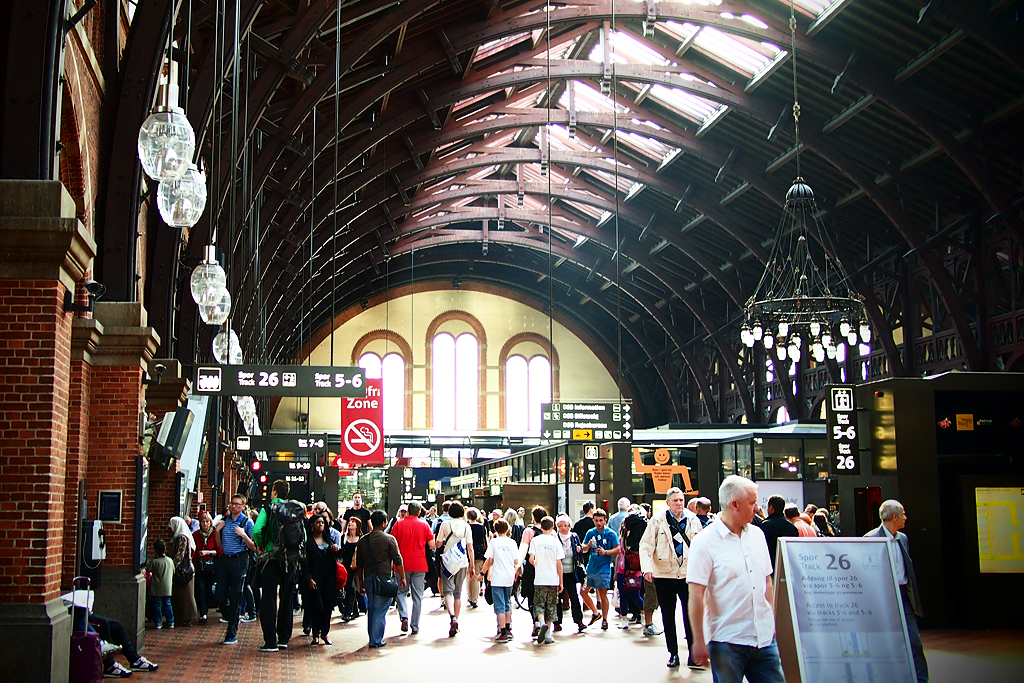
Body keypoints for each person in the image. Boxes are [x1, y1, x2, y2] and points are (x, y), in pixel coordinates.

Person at [687, 475, 784, 682]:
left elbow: (767, 582)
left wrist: (772, 621)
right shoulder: (704, 542)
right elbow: (696, 594)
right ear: (735, 504)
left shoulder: (758, 535)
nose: (757, 508)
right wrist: (699, 640)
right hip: (727, 640)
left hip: (764, 639)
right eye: (752, 502)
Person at [640, 486, 704, 667]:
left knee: (691, 615)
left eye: (681, 500)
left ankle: (693, 654)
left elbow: (700, 546)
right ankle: (673, 653)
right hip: (664, 574)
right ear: (667, 502)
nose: (679, 503)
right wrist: (647, 569)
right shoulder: (657, 520)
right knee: (668, 615)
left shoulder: (693, 520)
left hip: (687, 574)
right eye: (675, 500)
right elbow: (645, 545)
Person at [865, 500, 928, 683]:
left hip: (903, 595)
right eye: (903, 515)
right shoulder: (871, 539)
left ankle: (921, 679)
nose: (905, 518)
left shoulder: (903, 538)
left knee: (913, 640)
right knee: (884, 641)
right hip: (883, 596)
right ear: (895, 517)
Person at [253, 479, 302, 653]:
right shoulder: (293, 509)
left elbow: (257, 529)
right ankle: (284, 638)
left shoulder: (268, 509)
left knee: (269, 599)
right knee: (287, 599)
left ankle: (270, 641)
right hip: (290, 559)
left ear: (274, 491)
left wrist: (260, 545)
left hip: (271, 559)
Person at [356, 510, 407, 649]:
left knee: (372, 608)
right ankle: (376, 639)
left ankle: (372, 636)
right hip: (384, 579)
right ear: (384, 523)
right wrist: (402, 577)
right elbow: (398, 560)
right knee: (380, 609)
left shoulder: (363, 540)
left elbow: (359, 563)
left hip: (368, 578)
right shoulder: (389, 539)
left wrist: (361, 580)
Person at [215, 494, 256, 645]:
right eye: (232, 504)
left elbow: (253, 546)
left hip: (239, 560)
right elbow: (219, 545)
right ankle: (232, 616)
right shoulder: (224, 521)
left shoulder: (247, 522)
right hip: (225, 560)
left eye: (238, 504)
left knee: (236, 595)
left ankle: (231, 632)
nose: (234, 507)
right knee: (219, 594)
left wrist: (244, 535)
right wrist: (217, 531)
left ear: (243, 506)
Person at [391, 500, 435, 634]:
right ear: (420, 512)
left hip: (402, 564)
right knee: (418, 596)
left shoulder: (398, 524)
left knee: (401, 592)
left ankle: (404, 615)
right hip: (420, 564)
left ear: (408, 511)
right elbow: (432, 545)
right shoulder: (424, 524)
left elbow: (392, 543)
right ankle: (415, 626)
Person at [435, 500, 474, 637]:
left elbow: (438, 543)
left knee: (448, 591)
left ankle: (452, 617)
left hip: (447, 562)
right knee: (458, 592)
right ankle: (457, 619)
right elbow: (470, 547)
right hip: (462, 562)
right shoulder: (466, 526)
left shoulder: (445, 525)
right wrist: (472, 565)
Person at [302, 513, 339, 646]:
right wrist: (309, 579)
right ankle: (315, 633)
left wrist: (336, 550)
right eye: (318, 522)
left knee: (328, 606)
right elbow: (305, 563)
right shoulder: (308, 542)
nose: (320, 525)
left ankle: (325, 632)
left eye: (322, 522)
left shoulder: (328, 540)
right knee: (315, 606)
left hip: (329, 578)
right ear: (312, 524)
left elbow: (336, 558)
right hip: (315, 578)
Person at [580, 508, 619, 630]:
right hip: (591, 567)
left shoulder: (611, 534)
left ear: (605, 520)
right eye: (596, 520)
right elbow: (584, 548)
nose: (598, 523)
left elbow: (618, 549)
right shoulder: (590, 533)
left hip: (604, 568)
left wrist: (606, 552)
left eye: (601, 520)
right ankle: (595, 612)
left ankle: (605, 619)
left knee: (603, 594)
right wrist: (588, 545)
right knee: (583, 592)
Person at [529, 516, 564, 645]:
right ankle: (548, 634)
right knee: (551, 606)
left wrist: (537, 563)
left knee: (539, 603)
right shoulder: (556, 542)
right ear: (553, 527)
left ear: (541, 527)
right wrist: (561, 581)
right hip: (552, 579)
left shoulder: (535, 540)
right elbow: (559, 563)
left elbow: (531, 559)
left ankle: (541, 623)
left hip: (539, 578)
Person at [482, 518, 519, 642]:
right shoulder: (512, 543)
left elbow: (490, 560)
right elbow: (516, 561)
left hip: (497, 577)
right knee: (507, 602)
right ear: (507, 529)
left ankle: (502, 631)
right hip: (509, 576)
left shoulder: (494, 542)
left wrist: (482, 573)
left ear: (495, 530)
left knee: (499, 605)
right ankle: (508, 630)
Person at [553, 514, 585, 633]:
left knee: (574, 597)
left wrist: (579, 549)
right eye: (561, 526)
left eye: (566, 526)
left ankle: (579, 621)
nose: (564, 528)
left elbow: (580, 551)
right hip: (558, 573)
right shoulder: (555, 538)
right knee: (558, 599)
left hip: (571, 572)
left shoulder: (574, 537)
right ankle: (557, 623)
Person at [616, 504, 647, 628]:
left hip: (625, 567)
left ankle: (627, 619)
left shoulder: (626, 534)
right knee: (632, 594)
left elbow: (620, 552)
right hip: (632, 567)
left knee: (628, 594)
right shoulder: (635, 534)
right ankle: (642, 617)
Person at [167, 516, 198, 627]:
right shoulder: (182, 536)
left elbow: (179, 556)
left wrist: (172, 568)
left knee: (185, 596)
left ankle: (186, 617)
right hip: (185, 570)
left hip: (183, 571)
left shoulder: (182, 538)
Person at [192, 512, 220, 624]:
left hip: (210, 567)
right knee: (201, 590)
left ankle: (206, 610)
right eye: (203, 522)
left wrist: (208, 552)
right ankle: (203, 614)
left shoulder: (214, 535)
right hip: (199, 567)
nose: (205, 524)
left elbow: (219, 551)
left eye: (207, 521)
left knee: (208, 591)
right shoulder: (195, 535)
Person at [760, 495, 799, 570]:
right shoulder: (792, 527)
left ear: (771, 507)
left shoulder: (766, 525)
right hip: (787, 567)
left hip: (770, 567)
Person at [339, 516, 363, 621]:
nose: (350, 523)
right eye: (349, 522)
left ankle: (348, 612)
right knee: (348, 587)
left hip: (356, 567)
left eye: (353, 522)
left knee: (351, 587)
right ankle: (355, 610)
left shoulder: (361, 539)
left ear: (357, 525)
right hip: (345, 566)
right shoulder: (344, 537)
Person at [148, 540, 174, 629]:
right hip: (167, 587)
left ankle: (158, 622)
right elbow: (173, 571)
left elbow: (149, 570)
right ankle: (170, 621)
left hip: (157, 587)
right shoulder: (170, 560)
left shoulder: (155, 562)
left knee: (157, 605)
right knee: (167, 603)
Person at [467, 507, 488, 608]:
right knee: (475, 576)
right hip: (479, 553)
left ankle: (469, 596)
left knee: (468, 576)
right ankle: (474, 599)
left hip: (467, 553)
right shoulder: (481, 527)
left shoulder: (466, 527)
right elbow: (485, 541)